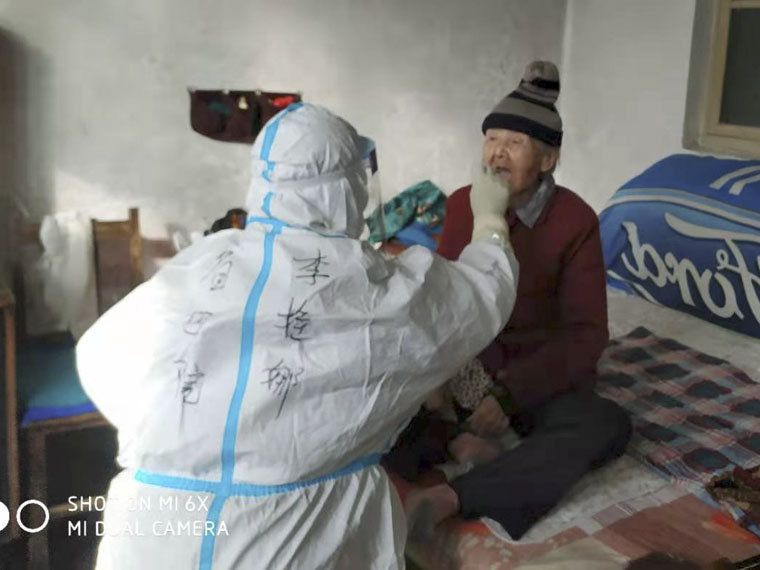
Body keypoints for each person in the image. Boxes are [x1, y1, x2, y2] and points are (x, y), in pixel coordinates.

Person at [76, 103, 519, 570]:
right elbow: (476, 298)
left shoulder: (203, 262)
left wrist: (188, 439)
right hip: (288, 539)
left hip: (152, 534)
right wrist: (490, 222)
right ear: (345, 187)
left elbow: (99, 355)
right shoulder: (367, 285)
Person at [391, 61, 633, 542]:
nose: (497, 152)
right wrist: (438, 378)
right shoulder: (462, 203)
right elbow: (445, 300)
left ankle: (450, 497)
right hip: (466, 373)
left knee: (607, 425)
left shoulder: (575, 220)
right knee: (377, 397)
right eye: (491, 138)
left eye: (515, 142)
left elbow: (587, 334)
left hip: (535, 382)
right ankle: (459, 441)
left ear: (547, 159)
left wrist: (510, 394)